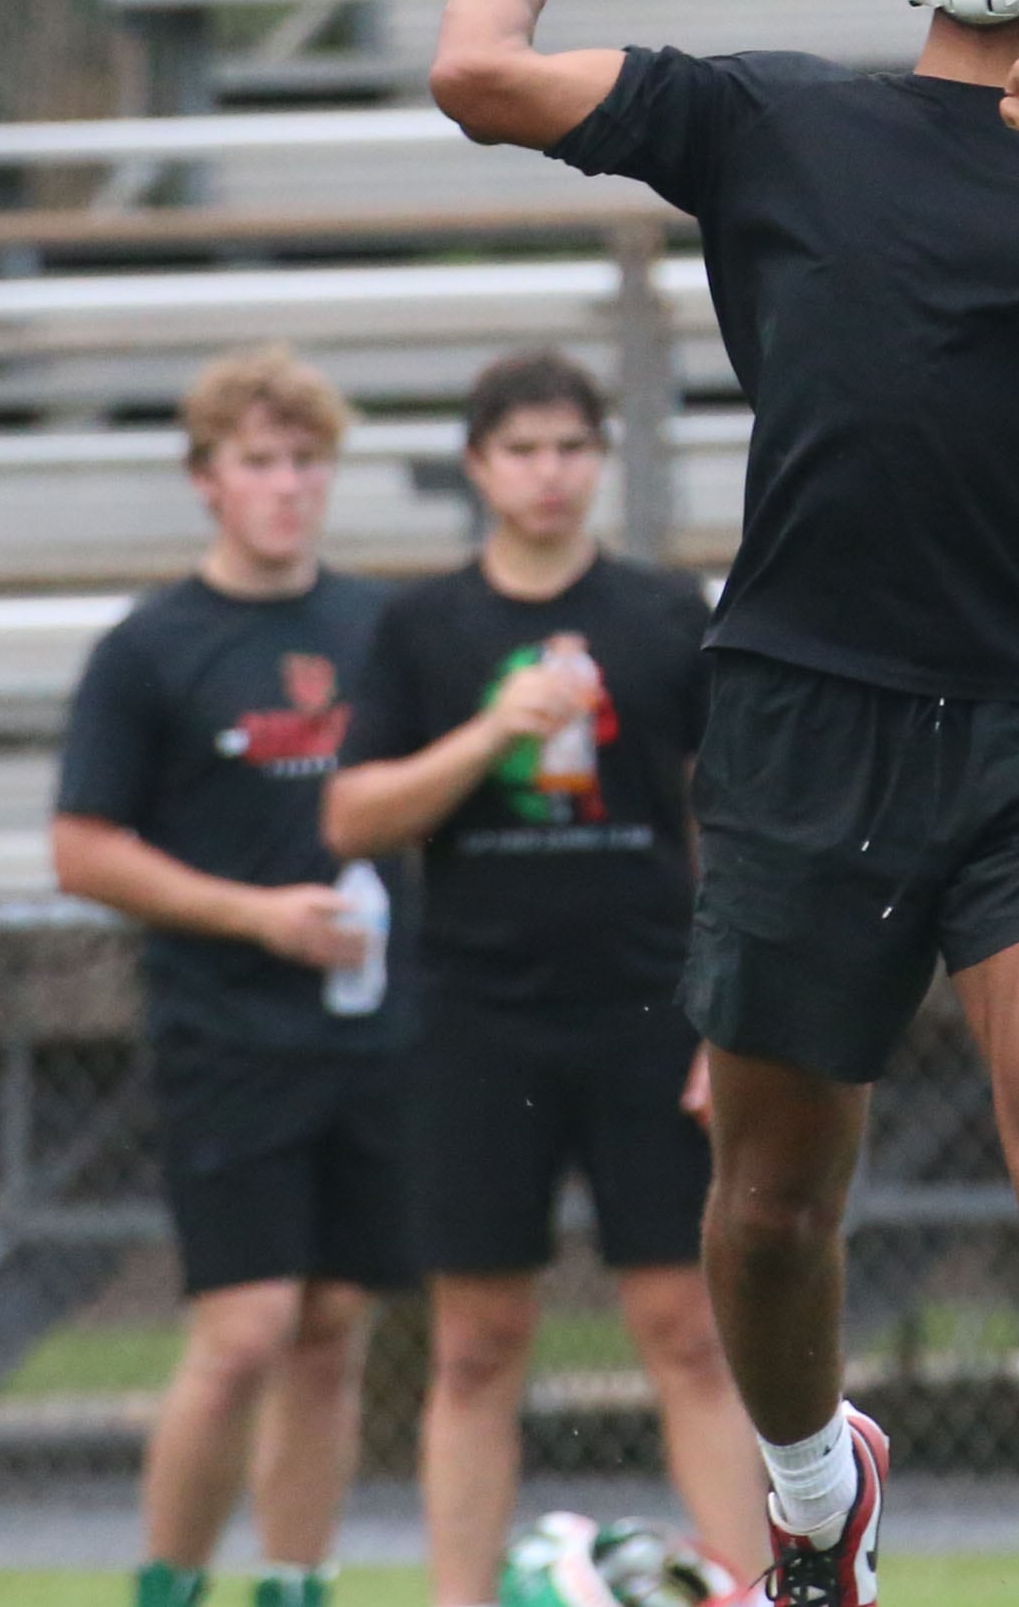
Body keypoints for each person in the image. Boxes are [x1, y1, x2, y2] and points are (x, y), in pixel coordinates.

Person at [428, 0, 1019, 1607]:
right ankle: (817, 1500)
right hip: (804, 711)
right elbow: (474, 71)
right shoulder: (779, 118)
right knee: (774, 1199)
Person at [324, 349, 764, 1607]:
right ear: (476, 466)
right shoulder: (422, 626)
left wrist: (722, 1013)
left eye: (571, 446)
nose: (548, 471)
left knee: (687, 1332)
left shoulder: (662, 613)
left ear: (598, 459)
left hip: (646, 1009)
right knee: (473, 1344)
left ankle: (739, 1588)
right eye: (521, 449)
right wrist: (493, 729)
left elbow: (731, 816)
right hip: (478, 1020)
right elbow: (352, 818)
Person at [49, 348, 408, 1607]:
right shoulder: (151, 647)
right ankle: (170, 1581)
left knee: (329, 1331)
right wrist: (255, 915)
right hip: (226, 1030)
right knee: (242, 1328)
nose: (288, 486)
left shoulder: (379, 627)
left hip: (376, 1031)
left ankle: (297, 1581)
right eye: (260, 461)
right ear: (207, 478)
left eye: (307, 460)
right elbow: (80, 847)